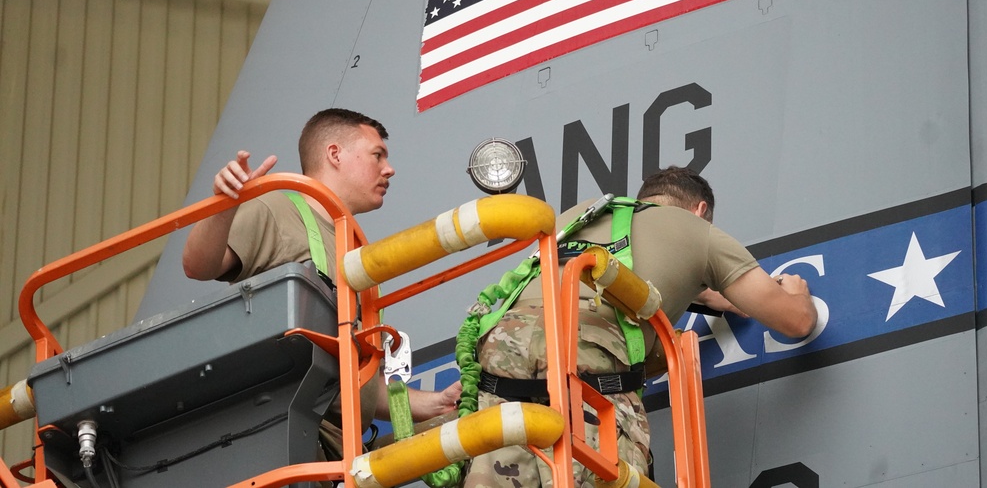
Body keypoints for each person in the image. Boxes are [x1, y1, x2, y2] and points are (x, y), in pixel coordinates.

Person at [463, 166, 818, 488]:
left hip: (498, 356)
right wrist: (798, 296)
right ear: (700, 210)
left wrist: (703, 293)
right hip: (582, 356)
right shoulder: (698, 231)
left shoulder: (587, 211)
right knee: (609, 475)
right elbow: (795, 321)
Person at [182, 108, 461, 460]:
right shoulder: (277, 208)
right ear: (334, 154)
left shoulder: (355, 249)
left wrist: (436, 404)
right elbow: (197, 265)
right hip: (282, 441)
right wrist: (225, 205)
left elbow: (362, 388)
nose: (388, 169)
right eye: (377, 155)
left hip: (334, 454)